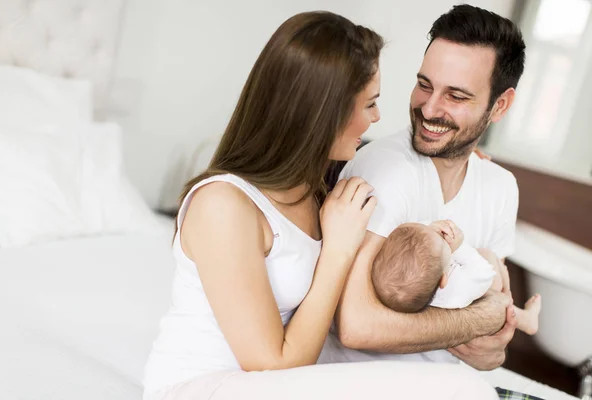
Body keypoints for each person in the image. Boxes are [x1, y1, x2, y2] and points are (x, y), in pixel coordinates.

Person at [143, 10, 497, 400]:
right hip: (206, 389)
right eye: (370, 104)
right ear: (325, 114)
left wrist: (459, 161)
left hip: (272, 385)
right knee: (460, 389)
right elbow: (272, 366)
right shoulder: (222, 205)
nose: (377, 117)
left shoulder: (320, 194)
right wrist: (338, 251)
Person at [320, 4, 533, 371]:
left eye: (456, 96)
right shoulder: (387, 170)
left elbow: (494, 345)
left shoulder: (501, 188)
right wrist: (483, 318)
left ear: (499, 105)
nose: (429, 109)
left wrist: (492, 346)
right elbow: (355, 327)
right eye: (424, 85)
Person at [371, 220, 541, 342]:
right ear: (444, 279)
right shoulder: (460, 286)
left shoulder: (413, 289)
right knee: (487, 255)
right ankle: (527, 320)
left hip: (463, 300)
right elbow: (484, 273)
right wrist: (458, 247)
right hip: (482, 289)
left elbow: (416, 257)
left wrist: (431, 238)